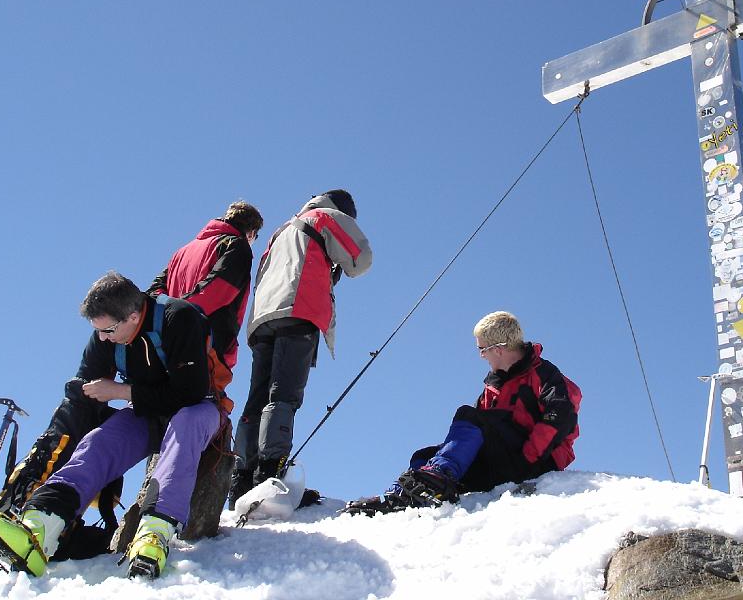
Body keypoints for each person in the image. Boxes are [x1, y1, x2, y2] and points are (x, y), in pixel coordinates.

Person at [0, 272, 223, 579]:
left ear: (133, 316)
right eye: (97, 330)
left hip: (199, 409)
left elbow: (190, 392)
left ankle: (154, 534)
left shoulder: (178, 318)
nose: (102, 338)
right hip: (146, 413)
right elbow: (85, 381)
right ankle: (40, 524)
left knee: (184, 429)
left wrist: (121, 392)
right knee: (100, 442)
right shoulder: (107, 334)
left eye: (108, 330)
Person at [343, 311, 581, 516]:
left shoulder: (544, 375)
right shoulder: (494, 387)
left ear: (498, 349)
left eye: (482, 349)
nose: (481, 356)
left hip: (534, 462)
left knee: (468, 416)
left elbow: (560, 418)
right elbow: (474, 438)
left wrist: (527, 459)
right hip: (504, 461)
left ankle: (438, 476)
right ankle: (402, 496)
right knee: (425, 456)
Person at [229, 189, 372, 508]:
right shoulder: (326, 217)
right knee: (283, 395)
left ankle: (240, 480)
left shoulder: (282, 230)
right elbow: (360, 259)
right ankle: (270, 478)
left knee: (256, 400)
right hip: (298, 310)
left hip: (262, 318)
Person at [148, 200, 263, 413]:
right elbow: (218, 290)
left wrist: (164, 319)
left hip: (165, 344)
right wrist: (180, 316)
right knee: (200, 411)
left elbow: (154, 292)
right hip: (205, 345)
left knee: (161, 407)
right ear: (251, 232)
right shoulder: (237, 246)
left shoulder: (182, 251)